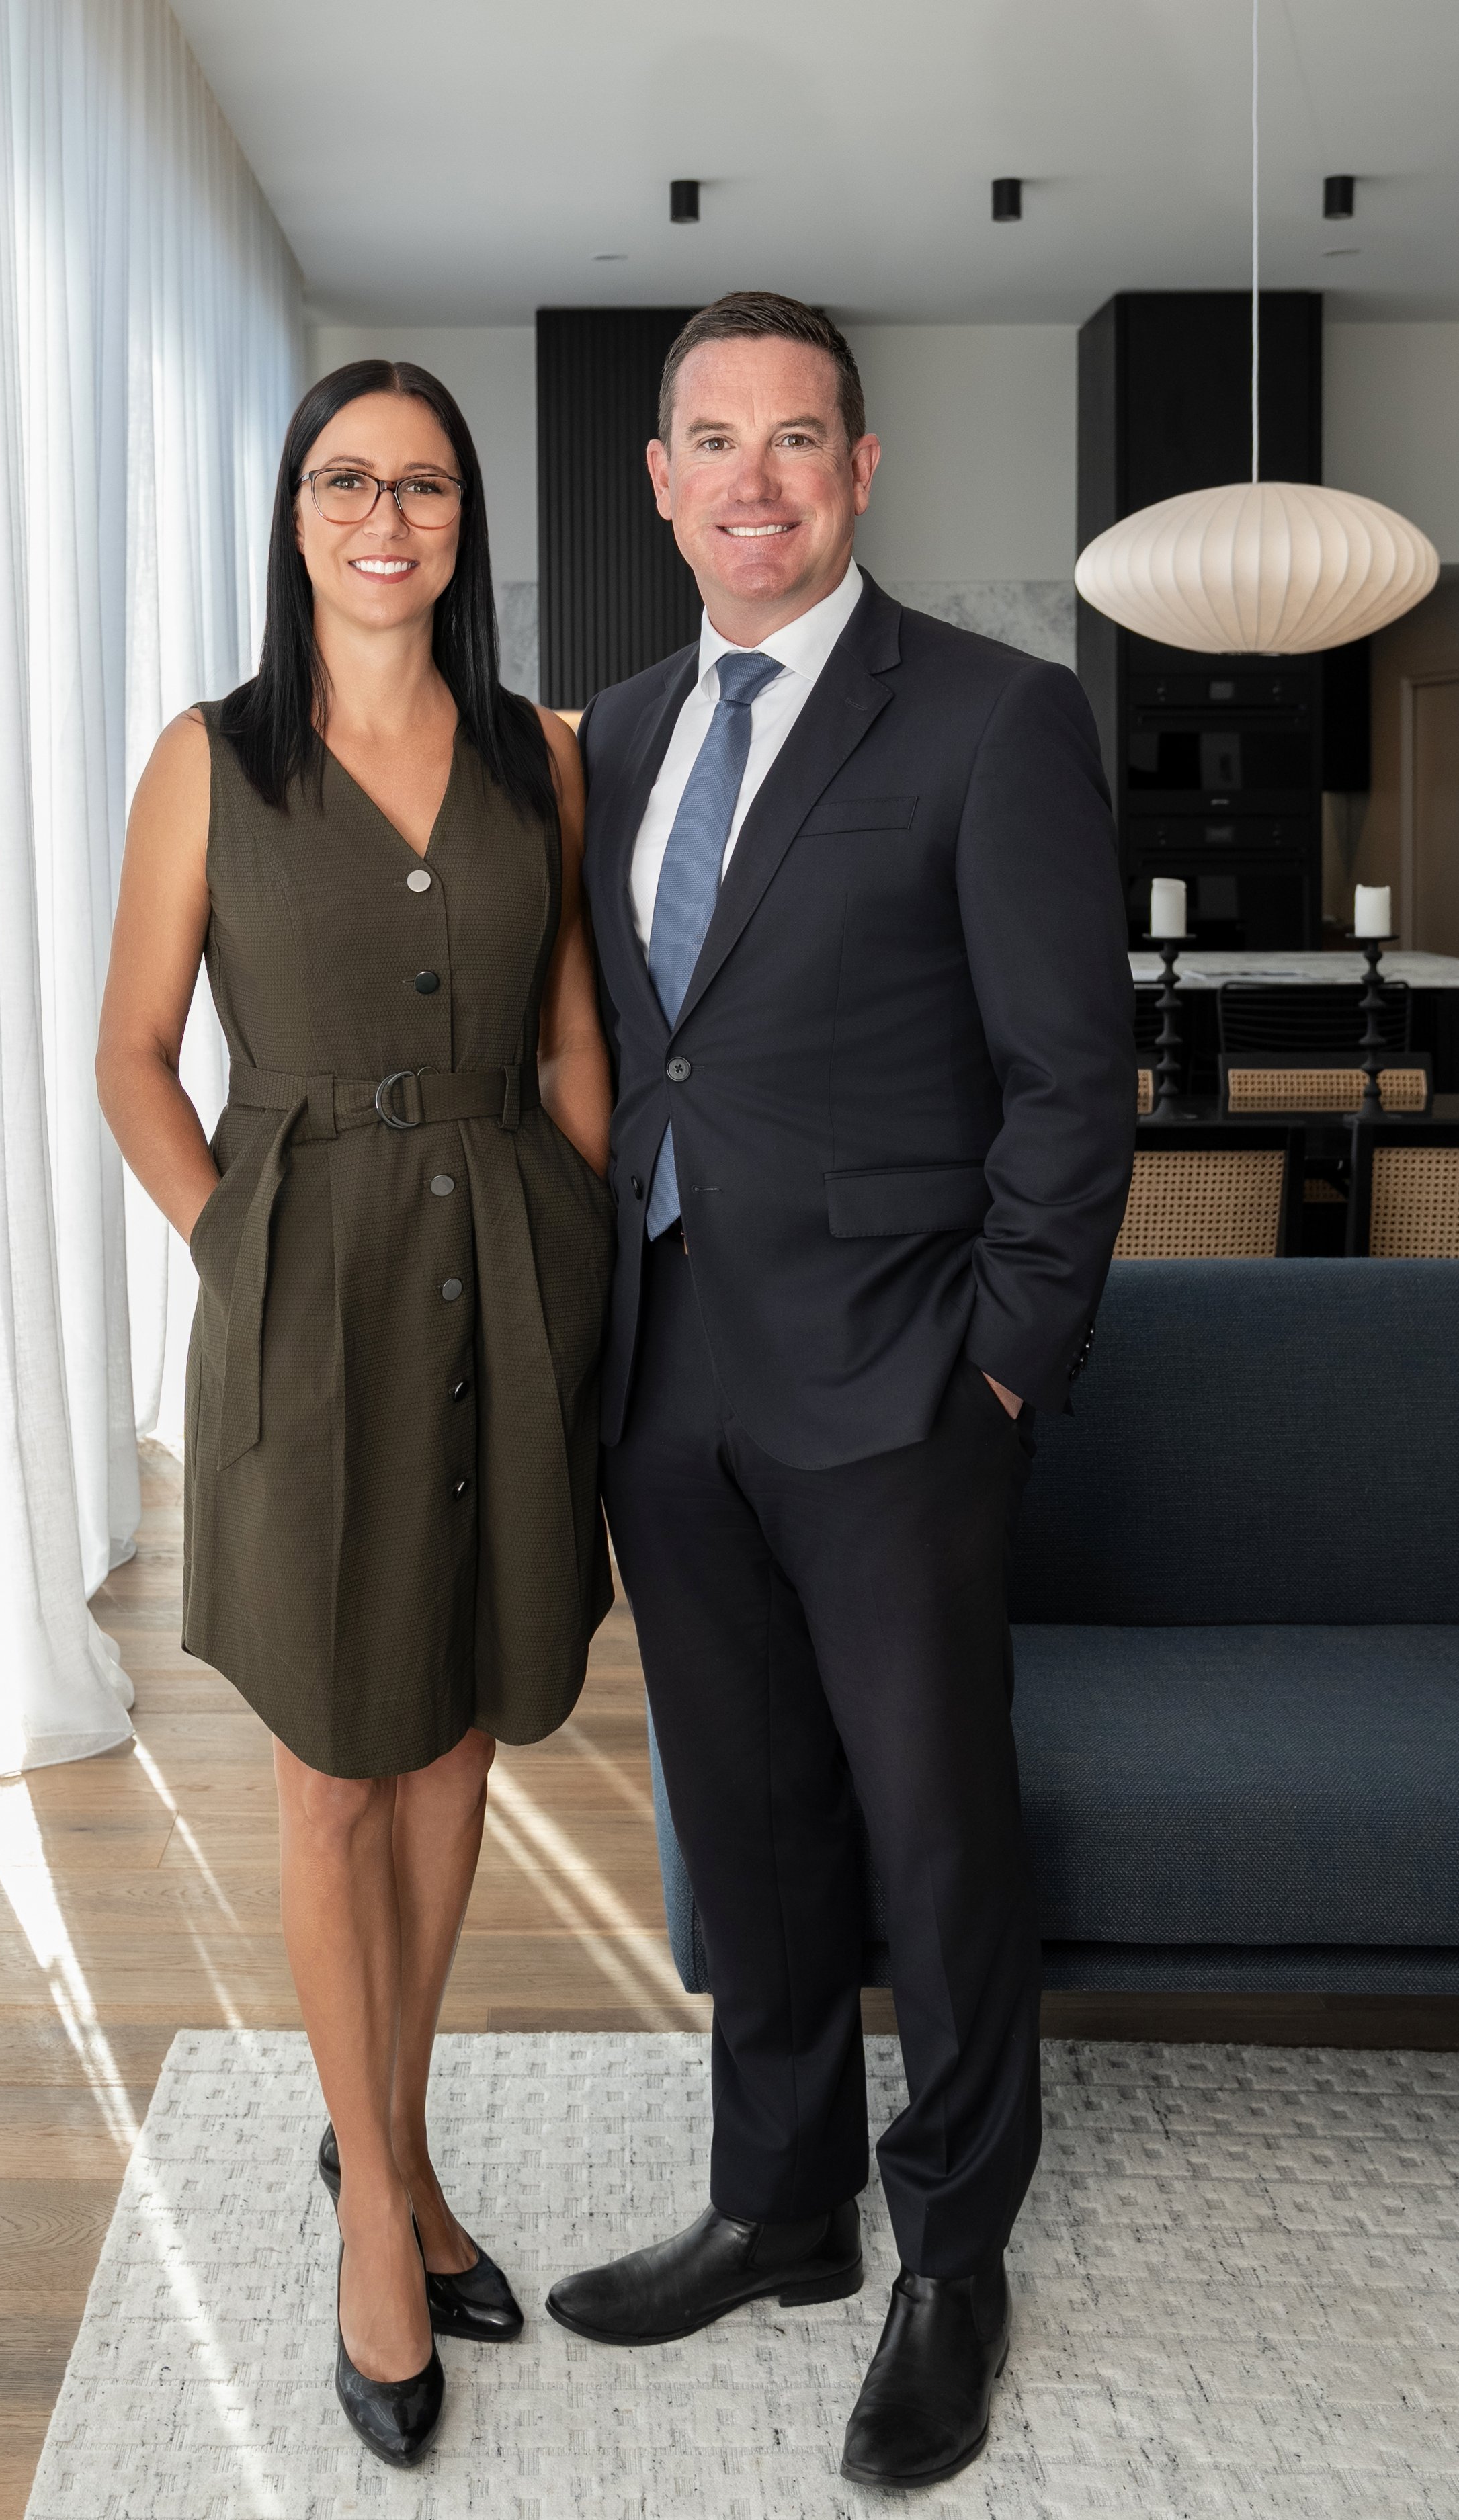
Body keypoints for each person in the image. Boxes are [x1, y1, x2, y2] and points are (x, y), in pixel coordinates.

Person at [546, 293, 1134, 2488]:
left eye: (799, 439)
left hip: (898, 1385)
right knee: (750, 1819)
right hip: (665, 1368)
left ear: (861, 472)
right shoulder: (604, 735)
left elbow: (1075, 1087)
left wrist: (995, 1370)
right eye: (715, 441)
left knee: (931, 1829)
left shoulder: (989, 719)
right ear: (663, 483)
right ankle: (777, 2207)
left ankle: (949, 2256)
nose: (756, 480)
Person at [96, 360, 614, 2472]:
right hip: (303, 1289)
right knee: (330, 1771)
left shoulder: (542, 757)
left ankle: (372, 2152)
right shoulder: (207, 760)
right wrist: (248, 1254)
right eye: (343, 480)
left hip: (514, 1273)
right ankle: (381, 2219)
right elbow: (133, 1054)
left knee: (452, 1748)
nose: (383, 515)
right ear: (291, 511)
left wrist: (591, 1262)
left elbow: (575, 1025)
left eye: (420, 483)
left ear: (462, 520)